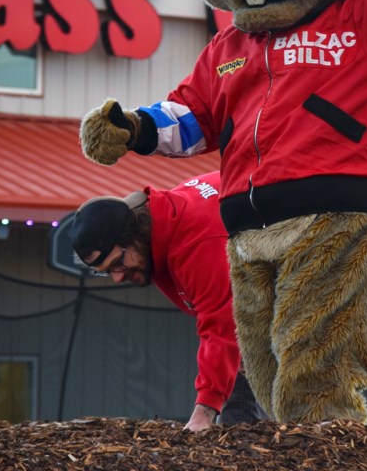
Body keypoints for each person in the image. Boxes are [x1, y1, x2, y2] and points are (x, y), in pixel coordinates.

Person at [67, 171, 266, 429]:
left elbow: (221, 325)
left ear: (136, 233)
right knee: (240, 422)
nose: (117, 278)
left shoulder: (195, 243)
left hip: (311, 259)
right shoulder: (164, 225)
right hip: (263, 290)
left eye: (118, 262)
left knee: (309, 414)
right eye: (106, 271)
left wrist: (203, 412)